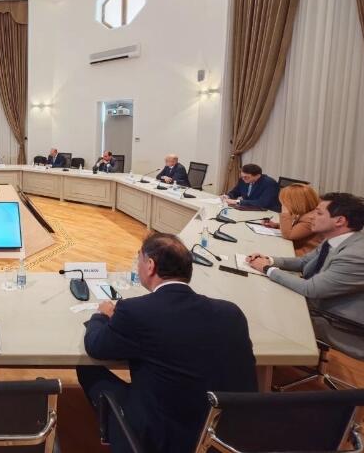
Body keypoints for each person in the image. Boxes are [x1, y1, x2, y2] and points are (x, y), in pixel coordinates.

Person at [77, 232, 257, 453]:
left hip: (165, 440)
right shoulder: (231, 313)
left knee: (87, 369)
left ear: (150, 266)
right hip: (226, 438)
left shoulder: (135, 312)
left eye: (139, 259)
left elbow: (95, 345)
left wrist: (101, 316)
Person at [246, 192, 364, 359]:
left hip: (334, 320)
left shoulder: (355, 255)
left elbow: (311, 289)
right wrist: (269, 260)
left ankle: (260, 360)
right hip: (315, 301)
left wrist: (266, 269)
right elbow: (303, 262)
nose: (312, 217)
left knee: (257, 307)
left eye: (319, 213)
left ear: (339, 221)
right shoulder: (336, 238)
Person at [262, 183, 322, 255]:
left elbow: (288, 235)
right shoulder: (306, 212)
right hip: (295, 248)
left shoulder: (310, 219)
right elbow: (296, 228)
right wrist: (276, 225)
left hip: (302, 254)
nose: (283, 204)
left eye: (285, 202)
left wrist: (285, 211)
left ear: (296, 202)